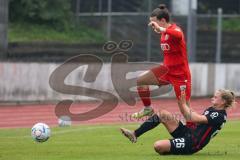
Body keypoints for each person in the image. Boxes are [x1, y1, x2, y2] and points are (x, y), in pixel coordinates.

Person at [121, 89, 235, 155]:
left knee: (158, 146)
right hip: (188, 132)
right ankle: (135, 134)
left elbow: (194, 118)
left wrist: (183, 105)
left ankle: (175, 148)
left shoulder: (219, 115)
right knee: (163, 114)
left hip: (193, 142)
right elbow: (192, 118)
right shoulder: (212, 109)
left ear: (223, 101)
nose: (212, 98)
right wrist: (183, 105)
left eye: (215, 97)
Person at [132, 4, 191, 119]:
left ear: (163, 20)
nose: (153, 26)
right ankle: (148, 109)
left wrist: (162, 29)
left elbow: (179, 35)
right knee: (141, 80)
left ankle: (193, 132)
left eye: (154, 22)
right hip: (166, 71)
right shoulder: (164, 33)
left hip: (180, 75)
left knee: (184, 108)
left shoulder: (174, 29)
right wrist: (161, 30)